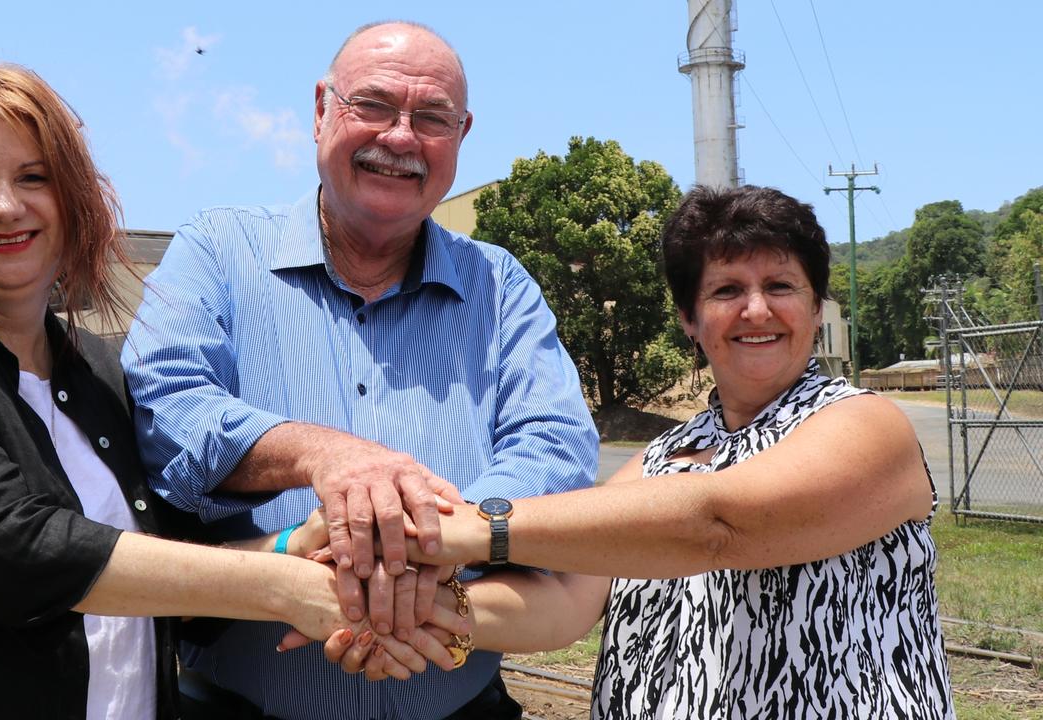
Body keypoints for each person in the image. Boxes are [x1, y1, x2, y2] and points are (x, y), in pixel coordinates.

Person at [0, 64, 461, 720]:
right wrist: (286, 590)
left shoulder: (96, 372)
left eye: (34, 177)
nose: (6, 207)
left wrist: (292, 548)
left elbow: (161, 564)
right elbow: (17, 549)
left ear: (73, 201)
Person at [122, 20, 599, 720]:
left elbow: (556, 444)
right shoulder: (217, 251)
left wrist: (427, 543)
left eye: (431, 117)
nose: (401, 137)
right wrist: (327, 458)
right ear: (321, 111)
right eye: (372, 105)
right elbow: (167, 408)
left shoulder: (502, 288)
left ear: (461, 135)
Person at [369, 185, 953, 719]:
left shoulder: (865, 424)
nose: (756, 310)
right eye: (726, 290)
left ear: (817, 307)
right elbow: (564, 602)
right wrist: (405, 609)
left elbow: (715, 523)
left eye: (780, 286)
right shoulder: (659, 460)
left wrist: (465, 529)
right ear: (688, 319)